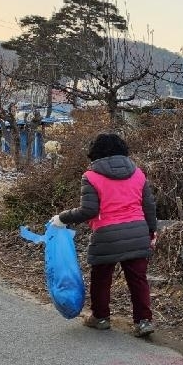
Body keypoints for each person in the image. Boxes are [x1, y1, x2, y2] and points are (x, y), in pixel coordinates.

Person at [50, 133, 158, 337]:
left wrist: (62, 218)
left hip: (106, 235)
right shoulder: (138, 173)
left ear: (96, 152)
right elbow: (149, 207)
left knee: (101, 278)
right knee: (138, 280)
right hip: (137, 232)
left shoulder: (91, 176)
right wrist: (151, 231)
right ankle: (144, 321)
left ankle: (100, 317)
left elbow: (88, 210)